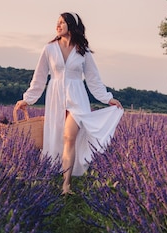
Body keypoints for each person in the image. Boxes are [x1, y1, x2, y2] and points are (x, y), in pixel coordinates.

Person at [15, 12, 123, 194]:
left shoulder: (83, 51)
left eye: (62, 22)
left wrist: (107, 98)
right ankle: (54, 175)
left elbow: (93, 79)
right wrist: (28, 99)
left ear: (72, 26)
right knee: (56, 138)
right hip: (55, 97)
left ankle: (66, 185)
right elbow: (39, 78)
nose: (58, 25)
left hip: (77, 98)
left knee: (69, 137)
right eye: (57, 22)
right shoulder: (49, 49)